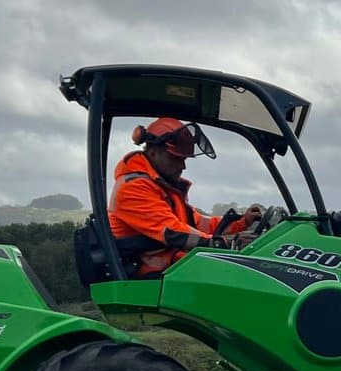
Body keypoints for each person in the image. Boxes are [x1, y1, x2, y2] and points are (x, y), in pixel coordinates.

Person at [108, 117, 262, 277]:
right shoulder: (133, 188)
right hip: (148, 278)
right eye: (176, 158)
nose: (183, 166)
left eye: (184, 159)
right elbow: (174, 232)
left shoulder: (163, 188)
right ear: (153, 152)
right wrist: (226, 243)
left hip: (171, 271)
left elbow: (197, 224)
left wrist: (242, 222)